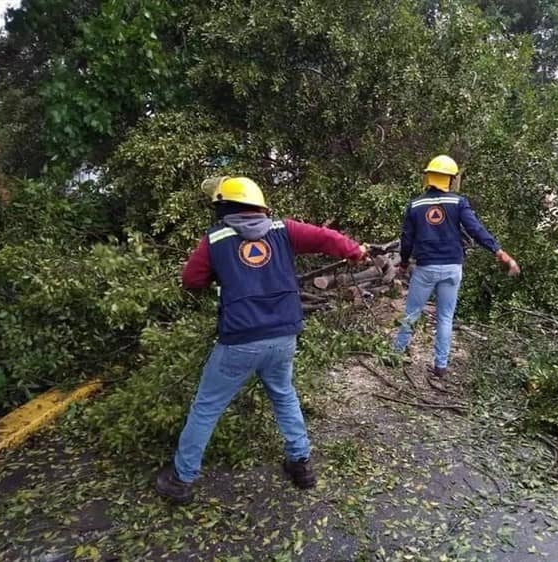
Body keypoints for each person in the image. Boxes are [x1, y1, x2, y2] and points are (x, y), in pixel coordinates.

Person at [156, 176, 367, 504]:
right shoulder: (285, 230)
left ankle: (181, 479)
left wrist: (220, 271)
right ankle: (301, 465)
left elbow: (191, 280)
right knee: (284, 395)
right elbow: (326, 239)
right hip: (283, 336)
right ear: (259, 205)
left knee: (207, 407)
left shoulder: (216, 239)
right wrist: (356, 251)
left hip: (239, 340)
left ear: (224, 207)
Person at [393, 155, 520, 377]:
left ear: (429, 177)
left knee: (412, 313)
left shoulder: (415, 205)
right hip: (452, 267)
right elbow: (475, 229)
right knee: (445, 317)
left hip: (425, 268)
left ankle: (395, 355)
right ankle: (440, 365)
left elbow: (407, 239)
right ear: (450, 180)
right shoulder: (458, 202)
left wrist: (403, 264)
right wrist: (498, 251)